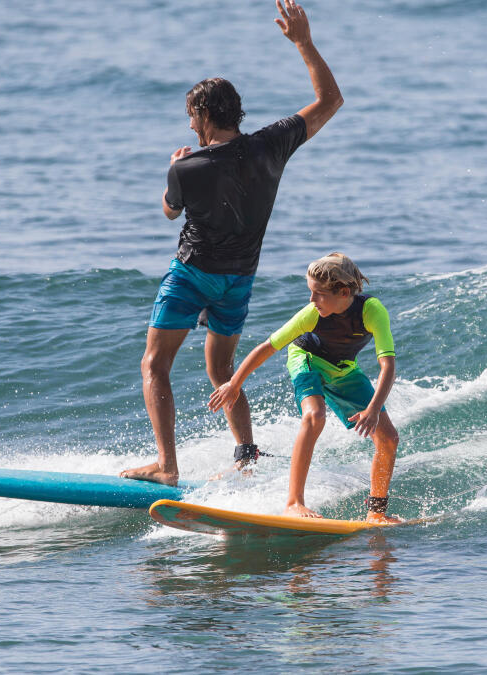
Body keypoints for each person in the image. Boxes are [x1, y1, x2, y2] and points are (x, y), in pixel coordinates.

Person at [121, 1, 343, 486]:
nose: (189, 126)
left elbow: (170, 210)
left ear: (202, 114)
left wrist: (174, 167)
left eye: (190, 116)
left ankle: (166, 465)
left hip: (193, 273)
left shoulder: (187, 167)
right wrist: (304, 43)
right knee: (221, 366)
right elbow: (330, 100)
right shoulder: (272, 143)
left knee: (155, 364)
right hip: (238, 281)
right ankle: (245, 455)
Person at [208, 253, 401, 524]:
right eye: (310, 292)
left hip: (344, 368)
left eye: (318, 294)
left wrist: (373, 409)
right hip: (306, 359)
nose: (312, 300)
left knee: (389, 437)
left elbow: (388, 366)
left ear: (343, 292)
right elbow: (268, 347)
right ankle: (294, 503)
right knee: (314, 416)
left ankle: (376, 511)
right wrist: (235, 383)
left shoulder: (372, 311)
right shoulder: (312, 315)